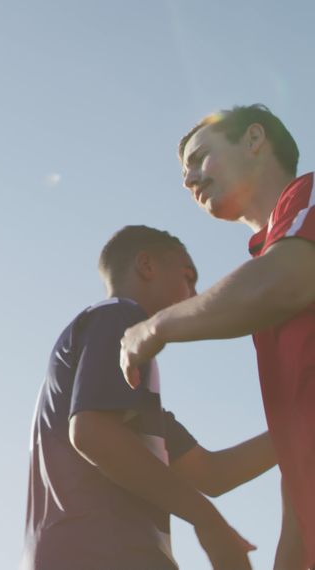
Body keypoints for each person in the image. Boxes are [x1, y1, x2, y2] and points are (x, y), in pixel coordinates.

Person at [120, 104, 315, 569]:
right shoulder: (265, 280)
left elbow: (285, 279)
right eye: (184, 173)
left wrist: (156, 326)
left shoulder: (308, 202)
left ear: (253, 139)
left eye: (200, 157)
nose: (189, 180)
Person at [22, 225, 277, 570]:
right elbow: (91, 433)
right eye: (188, 277)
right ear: (147, 266)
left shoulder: (131, 401)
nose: (194, 293)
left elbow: (213, 474)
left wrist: (300, 428)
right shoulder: (118, 315)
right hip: (100, 556)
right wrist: (209, 522)